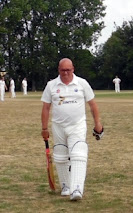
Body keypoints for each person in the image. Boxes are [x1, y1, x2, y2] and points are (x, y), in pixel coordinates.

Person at [41, 58, 103, 201]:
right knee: (61, 155)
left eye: (68, 70)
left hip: (77, 125)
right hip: (58, 126)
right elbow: (45, 108)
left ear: (73, 69)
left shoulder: (82, 83)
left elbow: (93, 105)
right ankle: (66, 186)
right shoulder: (51, 85)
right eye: (63, 70)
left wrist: (97, 123)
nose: (66, 73)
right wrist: (44, 128)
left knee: (78, 153)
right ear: (59, 70)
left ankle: (77, 188)